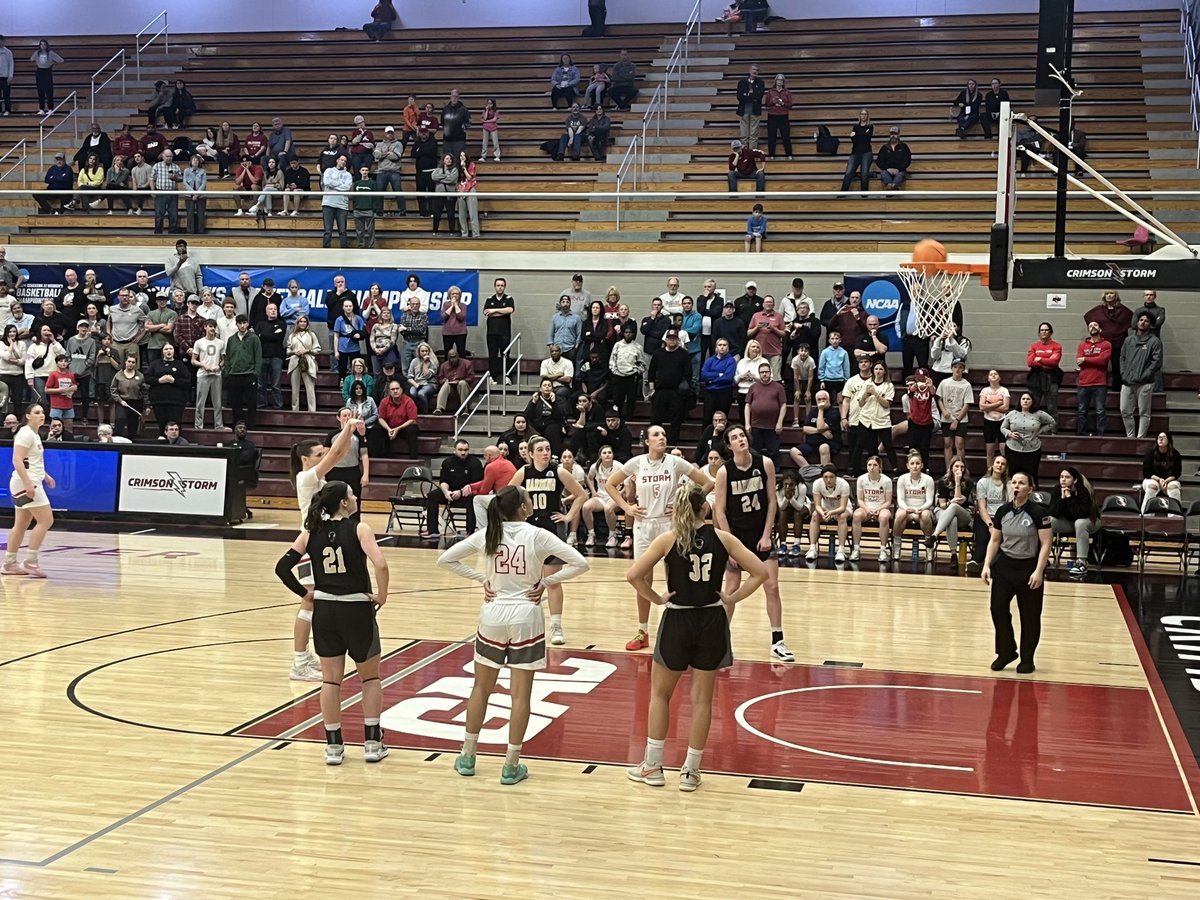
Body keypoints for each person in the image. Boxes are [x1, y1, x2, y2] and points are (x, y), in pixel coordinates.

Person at [439, 485, 589, 785]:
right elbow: (581, 563)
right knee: (520, 695)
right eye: (527, 497)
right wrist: (547, 583)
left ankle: (468, 756)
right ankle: (511, 764)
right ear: (522, 507)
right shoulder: (538, 534)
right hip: (526, 615)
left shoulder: (488, 533)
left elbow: (445, 560)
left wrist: (483, 579)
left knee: (481, 688)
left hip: (493, 614)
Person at [626, 483, 766, 793]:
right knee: (702, 700)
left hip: (678, 617)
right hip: (712, 619)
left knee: (660, 695)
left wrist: (657, 598)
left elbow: (633, 575)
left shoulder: (668, 539)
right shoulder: (723, 538)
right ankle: (690, 771)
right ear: (705, 508)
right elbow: (760, 573)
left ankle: (653, 766)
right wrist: (732, 597)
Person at [275, 481, 390, 765]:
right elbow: (381, 564)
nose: (355, 497)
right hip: (356, 610)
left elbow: (282, 567)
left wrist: (306, 594)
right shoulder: (359, 528)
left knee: (330, 680)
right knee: (370, 677)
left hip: (325, 612)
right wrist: (382, 596)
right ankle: (373, 743)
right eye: (351, 494)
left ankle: (334, 747)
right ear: (343, 503)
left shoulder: (311, 531)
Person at [605, 425, 713, 650]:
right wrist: (627, 507)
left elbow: (707, 483)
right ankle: (643, 631)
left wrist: (684, 504)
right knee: (643, 580)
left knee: (676, 578)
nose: (662, 437)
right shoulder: (637, 463)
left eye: (664, 434)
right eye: (656, 435)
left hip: (670, 526)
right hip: (644, 526)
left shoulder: (675, 462)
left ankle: (680, 629)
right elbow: (610, 484)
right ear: (646, 441)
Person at [714, 424, 794, 661]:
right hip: (737, 538)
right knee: (731, 589)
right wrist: (730, 545)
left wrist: (767, 534)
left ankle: (777, 641)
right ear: (729, 446)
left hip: (761, 536)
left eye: (742, 435)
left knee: (772, 587)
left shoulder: (764, 464)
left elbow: (772, 501)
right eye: (735, 438)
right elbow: (719, 511)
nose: (740, 439)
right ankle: (721, 642)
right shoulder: (724, 472)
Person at [507, 436, 587, 645]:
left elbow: (581, 495)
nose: (545, 452)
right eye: (540, 449)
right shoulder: (523, 472)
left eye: (548, 448)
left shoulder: (559, 471)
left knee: (552, 581)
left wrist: (569, 517)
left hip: (552, 530)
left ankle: (556, 626)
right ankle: (522, 624)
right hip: (528, 529)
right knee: (525, 579)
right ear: (531, 454)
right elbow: (506, 497)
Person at [981, 472, 1052, 674]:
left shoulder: (1038, 513)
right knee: (998, 610)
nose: (1016, 486)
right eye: (1014, 482)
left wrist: (1039, 571)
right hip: (1004, 568)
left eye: (1021, 483)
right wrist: (987, 565)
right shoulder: (1002, 511)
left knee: (1030, 616)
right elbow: (995, 540)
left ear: (1030, 488)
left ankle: (1027, 658)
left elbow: (1046, 543)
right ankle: (1006, 652)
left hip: (1028, 568)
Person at [2, 403, 56, 577]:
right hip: (26, 482)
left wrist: (46, 476)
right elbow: (17, 460)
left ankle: (9, 563)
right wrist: (27, 484)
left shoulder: (34, 434)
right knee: (46, 520)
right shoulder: (25, 434)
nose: (41, 415)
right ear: (28, 416)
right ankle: (31, 561)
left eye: (43, 412)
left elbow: (31, 461)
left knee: (22, 524)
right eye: (37, 412)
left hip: (29, 480)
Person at [1049, 467, 1100, 577]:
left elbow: (1081, 514)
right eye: (1061, 477)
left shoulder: (1083, 491)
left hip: (1090, 521)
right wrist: (1062, 499)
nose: (1063, 479)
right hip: (1069, 523)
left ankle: (1081, 563)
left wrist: (1069, 497)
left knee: (1080, 523)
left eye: (1067, 477)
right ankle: (1042, 558)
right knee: (1048, 521)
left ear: (1075, 480)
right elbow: (1053, 512)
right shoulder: (1057, 489)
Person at [1119, 312, 1163, 439]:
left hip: (1145, 383)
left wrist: (1145, 375)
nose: (1143, 322)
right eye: (1141, 320)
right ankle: (1130, 437)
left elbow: (1157, 362)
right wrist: (1123, 373)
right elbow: (1122, 358)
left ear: (1150, 324)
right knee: (1125, 410)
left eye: (1146, 321)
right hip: (1127, 382)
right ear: (1137, 322)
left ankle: (1140, 438)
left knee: (1144, 412)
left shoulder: (1155, 341)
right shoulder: (1128, 340)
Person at [1000, 392, 1056, 486]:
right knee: (1013, 475)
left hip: (1032, 450)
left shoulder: (1039, 414)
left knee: (1031, 475)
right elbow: (1003, 428)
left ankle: (1033, 497)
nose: (1025, 401)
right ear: (1020, 401)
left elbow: (1052, 422)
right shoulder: (1012, 413)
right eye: (1023, 399)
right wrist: (1009, 434)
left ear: (1032, 401)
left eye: (1028, 399)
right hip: (1013, 449)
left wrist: (1040, 430)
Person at [1083, 290, 1132, 390]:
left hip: (1119, 342)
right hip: (1102, 342)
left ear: (1116, 295)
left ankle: (1117, 387)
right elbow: (1088, 318)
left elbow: (1132, 320)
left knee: (1117, 365)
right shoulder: (1098, 310)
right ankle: (1099, 386)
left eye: (1111, 293)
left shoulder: (1124, 311)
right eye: (1107, 293)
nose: (1109, 295)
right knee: (1100, 364)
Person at [893, 450, 937, 559]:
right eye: (912, 464)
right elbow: (900, 500)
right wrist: (907, 508)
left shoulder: (928, 479)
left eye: (917, 463)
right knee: (899, 514)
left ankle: (929, 546)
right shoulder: (902, 479)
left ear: (921, 465)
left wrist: (920, 509)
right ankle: (897, 545)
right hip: (906, 509)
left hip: (922, 509)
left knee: (926, 515)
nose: (915, 466)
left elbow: (929, 501)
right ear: (908, 466)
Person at [971, 455, 1009, 573]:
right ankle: (976, 562)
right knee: (983, 540)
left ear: (1005, 468)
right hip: (985, 517)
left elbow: (1010, 506)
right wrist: (990, 525)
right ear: (992, 465)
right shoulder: (983, 482)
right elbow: (982, 508)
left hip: (1003, 518)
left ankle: (992, 564)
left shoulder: (1009, 483)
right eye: (997, 462)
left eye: (1003, 464)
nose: (999, 465)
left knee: (1001, 542)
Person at [806, 463, 852, 563]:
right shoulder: (817, 483)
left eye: (831, 477)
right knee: (814, 515)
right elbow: (817, 505)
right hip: (825, 508)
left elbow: (843, 507)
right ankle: (812, 548)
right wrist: (823, 513)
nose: (828, 480)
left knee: (842, 517)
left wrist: (830, 513)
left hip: (841, 509)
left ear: (836, 477)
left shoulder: (844, 484)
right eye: (825, 477)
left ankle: (841, 550)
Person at [931, 456, 975, 561]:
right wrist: (950, 502)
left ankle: (935, 534)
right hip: (943, 511)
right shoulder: (943, 482)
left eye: (962, 467)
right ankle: (954, 555)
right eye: (956, 466)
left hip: (963, 514)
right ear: (951, 467)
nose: (959, 469)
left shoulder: (968, 482)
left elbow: (960, 501)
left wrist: (958, 482)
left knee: (955, 507)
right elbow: (941, 505)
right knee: (952, 518)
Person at [743, 361, 786, 462]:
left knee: (773, 451)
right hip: (756, 425)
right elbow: (747, 405)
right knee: (755, 451)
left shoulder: (778, 387)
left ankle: (775, 471)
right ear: (759, 373)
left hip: (772, 426)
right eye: (762, 372)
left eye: (767, 372)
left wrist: (780, 422)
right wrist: (747, 423)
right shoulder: (753, 387)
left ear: (771, 372)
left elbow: (783, 405)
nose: (765, 374)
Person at [853, 455, 893, 562]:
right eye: (869, 465)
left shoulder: (887, 481)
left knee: (884, 517)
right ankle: (856, 549)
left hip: (882, 507)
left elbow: (888, 501)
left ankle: (883, 550)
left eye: (875, 465)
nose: (872, 467)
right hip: (866, 507)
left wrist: (879, 509)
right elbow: (860, 500)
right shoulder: (861, 479)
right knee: (856, 515)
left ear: (880, 467)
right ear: (866, 467)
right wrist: (867, 509)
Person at [936, 359, 973, 474]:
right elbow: (939, 399)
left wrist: (957, 420)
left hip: (960, 419)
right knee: (947, 443)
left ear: (963, 369)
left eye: (960, 367)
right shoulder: (944, 382)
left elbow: (967, 404)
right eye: (955, 367)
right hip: (946, 418)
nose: (957, 369)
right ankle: (949, 470)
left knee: (960, 443)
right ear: (951, 368)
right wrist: (944, 411)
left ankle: (960, 468)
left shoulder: (966, 385)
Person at [146, 343, 191, 438]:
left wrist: (174, 381)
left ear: (174, 351)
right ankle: (162, 441)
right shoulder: (155, 364)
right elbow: (147, 378)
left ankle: (176, 443)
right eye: (166, 349)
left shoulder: (180, 365)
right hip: (159, 401)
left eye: (170, 348)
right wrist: (159, 380)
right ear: (162, 351)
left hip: (176, 401)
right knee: (162, 424)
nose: (168, 351)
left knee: (175, 424)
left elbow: (187, 381)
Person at [1026, 322, 1062, 421]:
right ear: (1039, 333)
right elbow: (1030, 362)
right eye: (1042, 330)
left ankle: (1053, 431)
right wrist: (1047, 361)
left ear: (1050, 332)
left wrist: (1040, 359)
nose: (1044, 332)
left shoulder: (1056, 346)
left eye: (1046, 330)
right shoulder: (1034, 346)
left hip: (1052, 378)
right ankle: (1032, 428)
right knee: (1034, 404)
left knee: (1051, 406)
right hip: (1036, 378)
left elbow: (1054, 362)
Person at [483, 278, 515, 387]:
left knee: (505, 355)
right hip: (491, 333)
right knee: (492, 356)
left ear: (504, 286)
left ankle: (507, 377)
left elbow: (510, 310)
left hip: (504, 333)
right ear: (495, 286)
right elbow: (486, 312)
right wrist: (502, 311)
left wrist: (494, 310)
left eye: (502, 285)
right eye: (498, 285)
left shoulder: (509, 298)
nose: (500, 287)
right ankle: (493, 377)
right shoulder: (489, 299)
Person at [1141, 431, 1182, 512]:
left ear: (1169, 440)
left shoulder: (1175, 454)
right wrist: (1159, 480)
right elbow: (1147, 472)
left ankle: (1175, 517)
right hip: (1152, 479)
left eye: (1164, 437)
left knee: (1174, 489)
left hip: (1169, 480)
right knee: (1152, 487)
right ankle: (1145, 515)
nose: (1161, 439)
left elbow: (1177, 473)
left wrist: (1165, 481)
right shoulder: (1150, 453)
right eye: (1159, 437)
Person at [321, 155, 353, 249]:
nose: (343, 162)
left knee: (342, 231)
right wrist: (340, 185)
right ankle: (326, 250)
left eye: (345, 161)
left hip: (342, 205)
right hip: (328, 203)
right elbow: (327, 182)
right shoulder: (328, 171)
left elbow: (347, 187)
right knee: (328, 231)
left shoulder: (348, 175)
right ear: (337, 160)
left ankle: (344, 250)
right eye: (342, 160)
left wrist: (333, 185)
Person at [840, 109, 874, 194]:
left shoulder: (870, 127)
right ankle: (842, 193)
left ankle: (864, 194)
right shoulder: (855, 126)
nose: (863, 116)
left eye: (865, 114)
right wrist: (856, 137)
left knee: (864, 174)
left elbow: (866, 139)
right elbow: (855, 141)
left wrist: (855, 136)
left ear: (867, 116)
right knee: (848, 172)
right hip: (855, 152)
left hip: (866, 152)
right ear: (859, 115)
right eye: (862, 114)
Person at [735, 63, 765, 148]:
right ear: (749, 70)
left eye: (757, 70)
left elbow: (759, 96)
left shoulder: (761, 83)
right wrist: (751, 97)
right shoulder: (742, 82)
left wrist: (747, 96)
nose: (755, 71)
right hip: (743, 111)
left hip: (755, 111)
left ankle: (752, 154)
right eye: (753, 69)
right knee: (744, 135)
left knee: (753, 135)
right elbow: (739, 97)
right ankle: (744, 154)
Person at [30, 40, 63, 116]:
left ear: (47, 45)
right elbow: (31, 59)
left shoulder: (50, 53)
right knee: (40, 91)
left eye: (44, 44)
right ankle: (41, 109)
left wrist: (52, 63)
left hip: (47, 71)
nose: (43, 46)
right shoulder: (37, 53)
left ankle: (50, 109)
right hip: (39, 72)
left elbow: (61, 60)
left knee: (49, 91)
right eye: (41, 44)